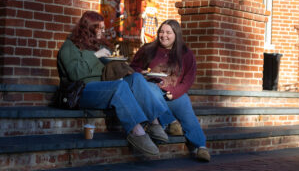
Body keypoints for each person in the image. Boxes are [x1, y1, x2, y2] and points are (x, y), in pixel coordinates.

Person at [57, 11, 169, 156]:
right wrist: (96, 56)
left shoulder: (96, 46)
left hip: (104, 87)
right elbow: (75, 74)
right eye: (100, 29)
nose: (103, 32)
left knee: (136, 78)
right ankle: (136, 131)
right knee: (119, 87)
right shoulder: (69, 47)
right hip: (81, 91)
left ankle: (154, 123)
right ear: (88, 28)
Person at [130, 19, 211, 162]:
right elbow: (133, 67)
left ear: (176, 35)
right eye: (161, 31)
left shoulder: (186, 54)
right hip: (152, 89)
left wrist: (175, 93)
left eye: (168, 32)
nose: (164, 35)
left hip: (173, 93)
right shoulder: (148, 49)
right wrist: (141, 72)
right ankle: (171, 122)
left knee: (186, 106)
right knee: (151, 89)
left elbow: (188, 79)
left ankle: (201, 146)